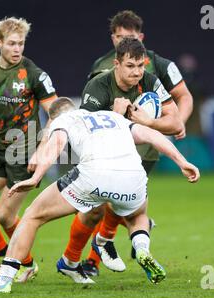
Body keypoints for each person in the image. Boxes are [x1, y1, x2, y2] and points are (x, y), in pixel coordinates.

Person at [0, 97, 200, 294]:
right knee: (138, 216)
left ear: (54, 116)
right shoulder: (110, 117)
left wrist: (35, 177)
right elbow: (150, 134)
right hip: (134, 177)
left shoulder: (62, 120)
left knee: (33, 216)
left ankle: (4, 280)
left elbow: (57, 143)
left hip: (95, 175)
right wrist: (183, 162)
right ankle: (141, 249)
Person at [79, 10, 194, 276]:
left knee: (112, 201)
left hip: (145, 146)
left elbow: (183, 97)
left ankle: (90, 262)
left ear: (140, 37)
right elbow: (90, 112)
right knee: (113, 204)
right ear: (113, 39)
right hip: (109, 146)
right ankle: (137, 233)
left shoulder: (157, 65)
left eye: (129, 37)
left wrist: (176, 124)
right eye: (119, 37)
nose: (123, 42)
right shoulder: (101, 67)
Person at [0, 17, 57, 283]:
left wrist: (43, 147)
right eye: (12, 43)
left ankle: (24, 264)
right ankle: (4, 254)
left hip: (24, 149)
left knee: (5, 214)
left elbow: (55, 112)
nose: (18, 49)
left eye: (21, 43)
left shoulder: (35, 74)